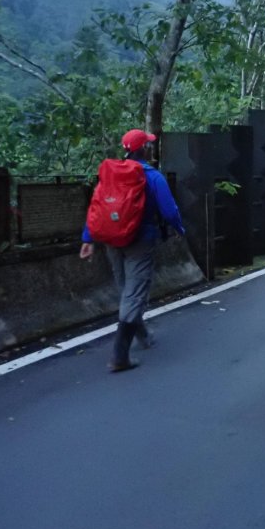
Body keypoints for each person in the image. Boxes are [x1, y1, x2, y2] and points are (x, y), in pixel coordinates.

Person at [80, 129, 186, 372]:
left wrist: (88, 239)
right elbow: (169, 211)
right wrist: (180, 229)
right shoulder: (153, 177)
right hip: (141, 240)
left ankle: (143, 335)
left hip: (111, 240)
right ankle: (120, 354)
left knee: (125, 288)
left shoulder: (111, 175)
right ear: (144, 149)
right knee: (135, 292)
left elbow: (97, 207)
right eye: (147, 145)